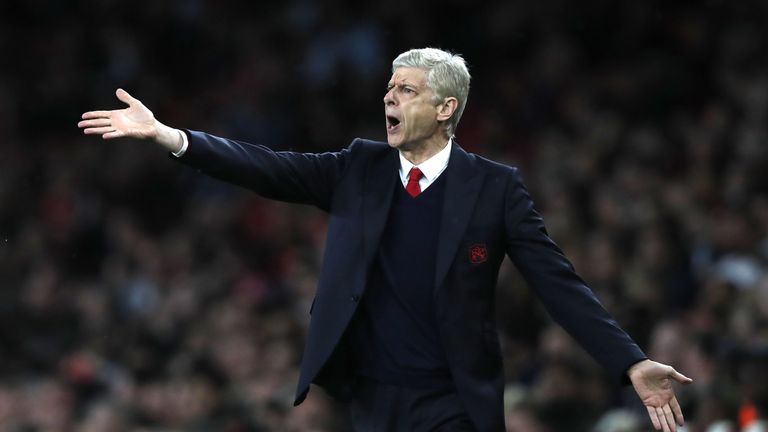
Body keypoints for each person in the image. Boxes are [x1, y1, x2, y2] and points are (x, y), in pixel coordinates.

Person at [79, 48, 692, 432]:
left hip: (454, 399)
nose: (387, 98)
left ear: (446, 108)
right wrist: (171, 137)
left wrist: (630, 362)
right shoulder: (359, 168)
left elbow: (560, 285)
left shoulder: (495, 190)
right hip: (371, 398)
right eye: (389, 88)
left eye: (405, 90)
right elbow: (266, 166)